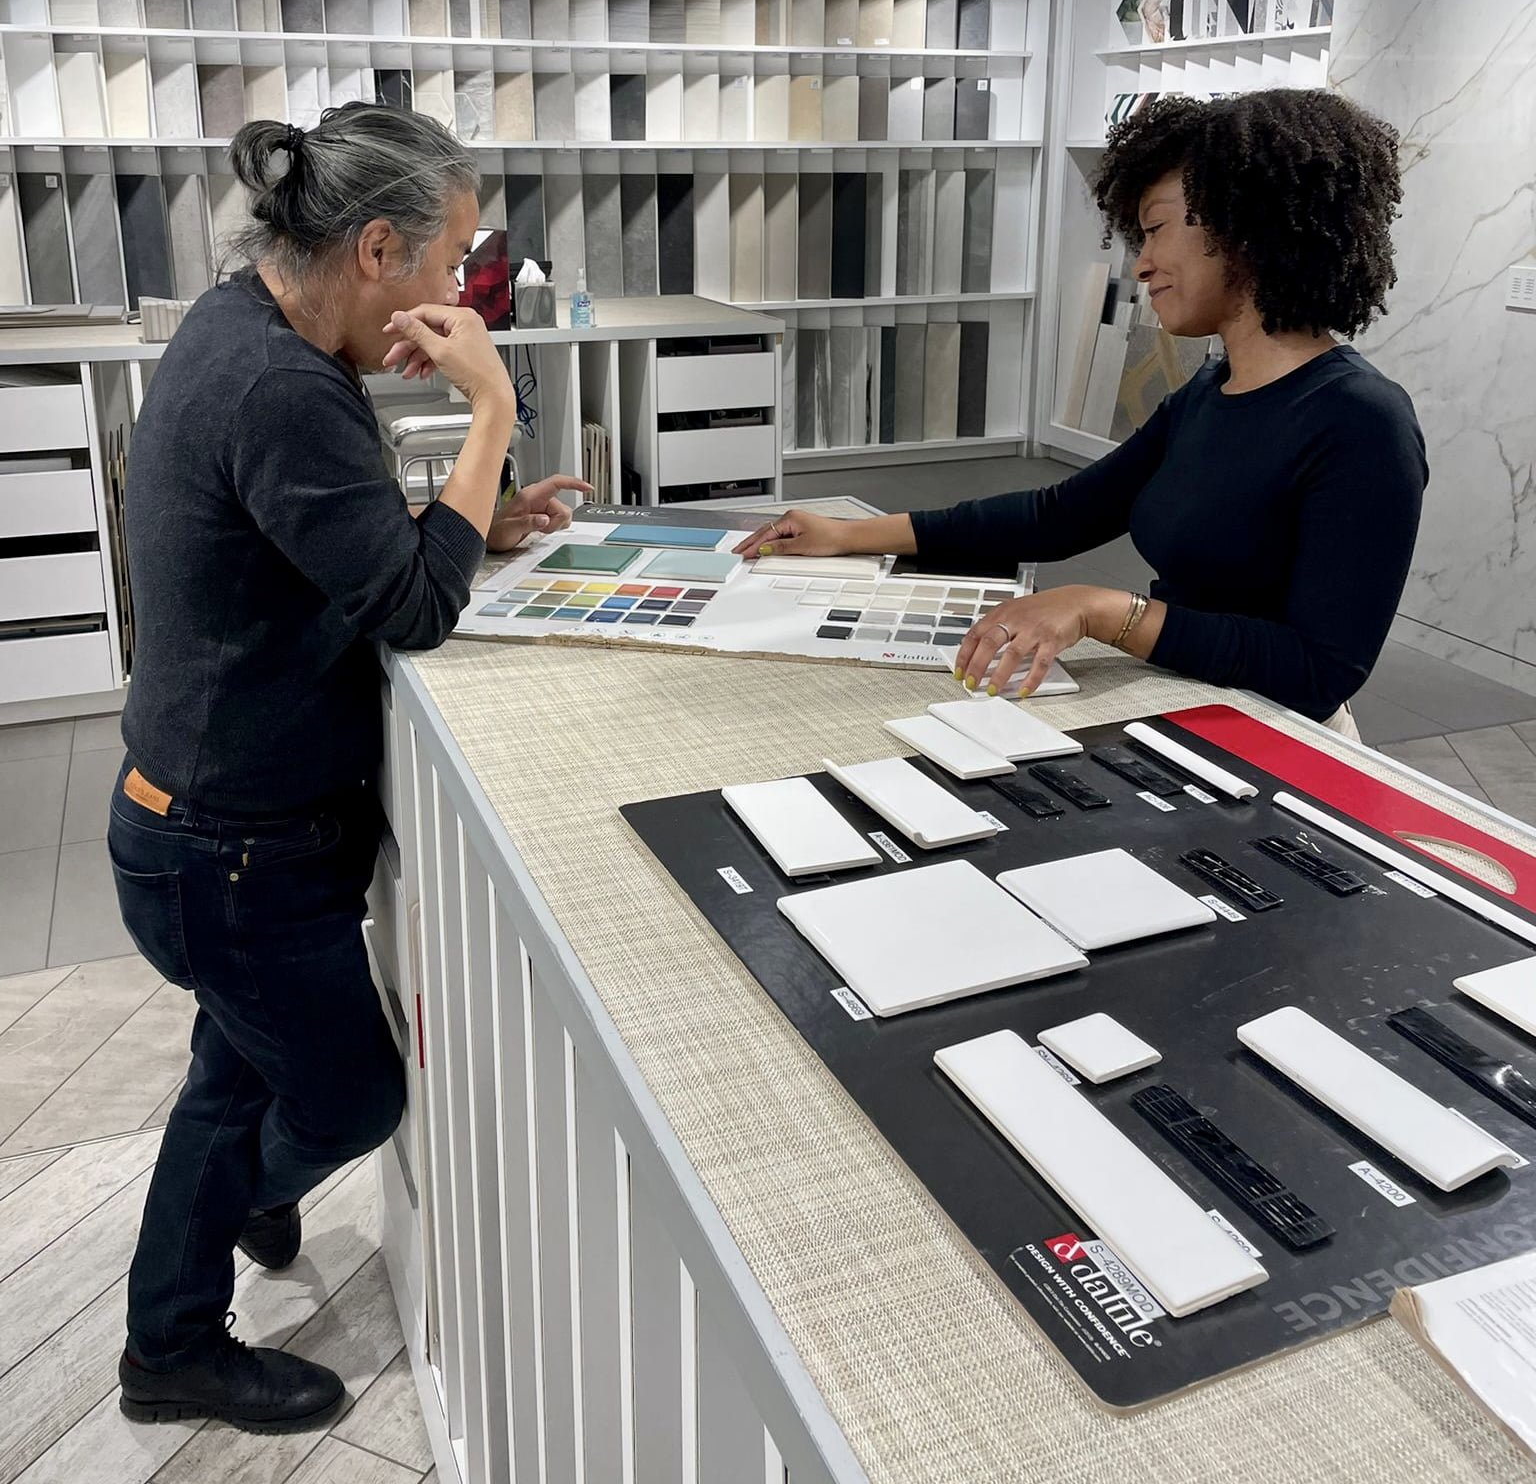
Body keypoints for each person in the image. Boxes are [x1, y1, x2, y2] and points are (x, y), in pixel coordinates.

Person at [107, 102, 588, 1432]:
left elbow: (336, 554)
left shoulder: (246, 328)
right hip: (231, 847)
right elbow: (407, 607)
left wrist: (472, 528)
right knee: (347, 1090)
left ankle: (217, 1237)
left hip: (210, 828)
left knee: (240, 1069)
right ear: (376, 247)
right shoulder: (281, 386)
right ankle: (176, 1336)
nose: (458, 294)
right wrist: (492, 411)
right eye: (447, 263)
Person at [736, 89, 1427, 734]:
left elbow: (1317, 672)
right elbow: (1059, 514)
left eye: (1155, 231)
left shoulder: (1361, 422)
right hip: (1183, 698)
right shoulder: (1208, 394)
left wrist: (1102, 610)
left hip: (1279, 739)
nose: (1141, 265)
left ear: (1245, 227)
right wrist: (851, 534)